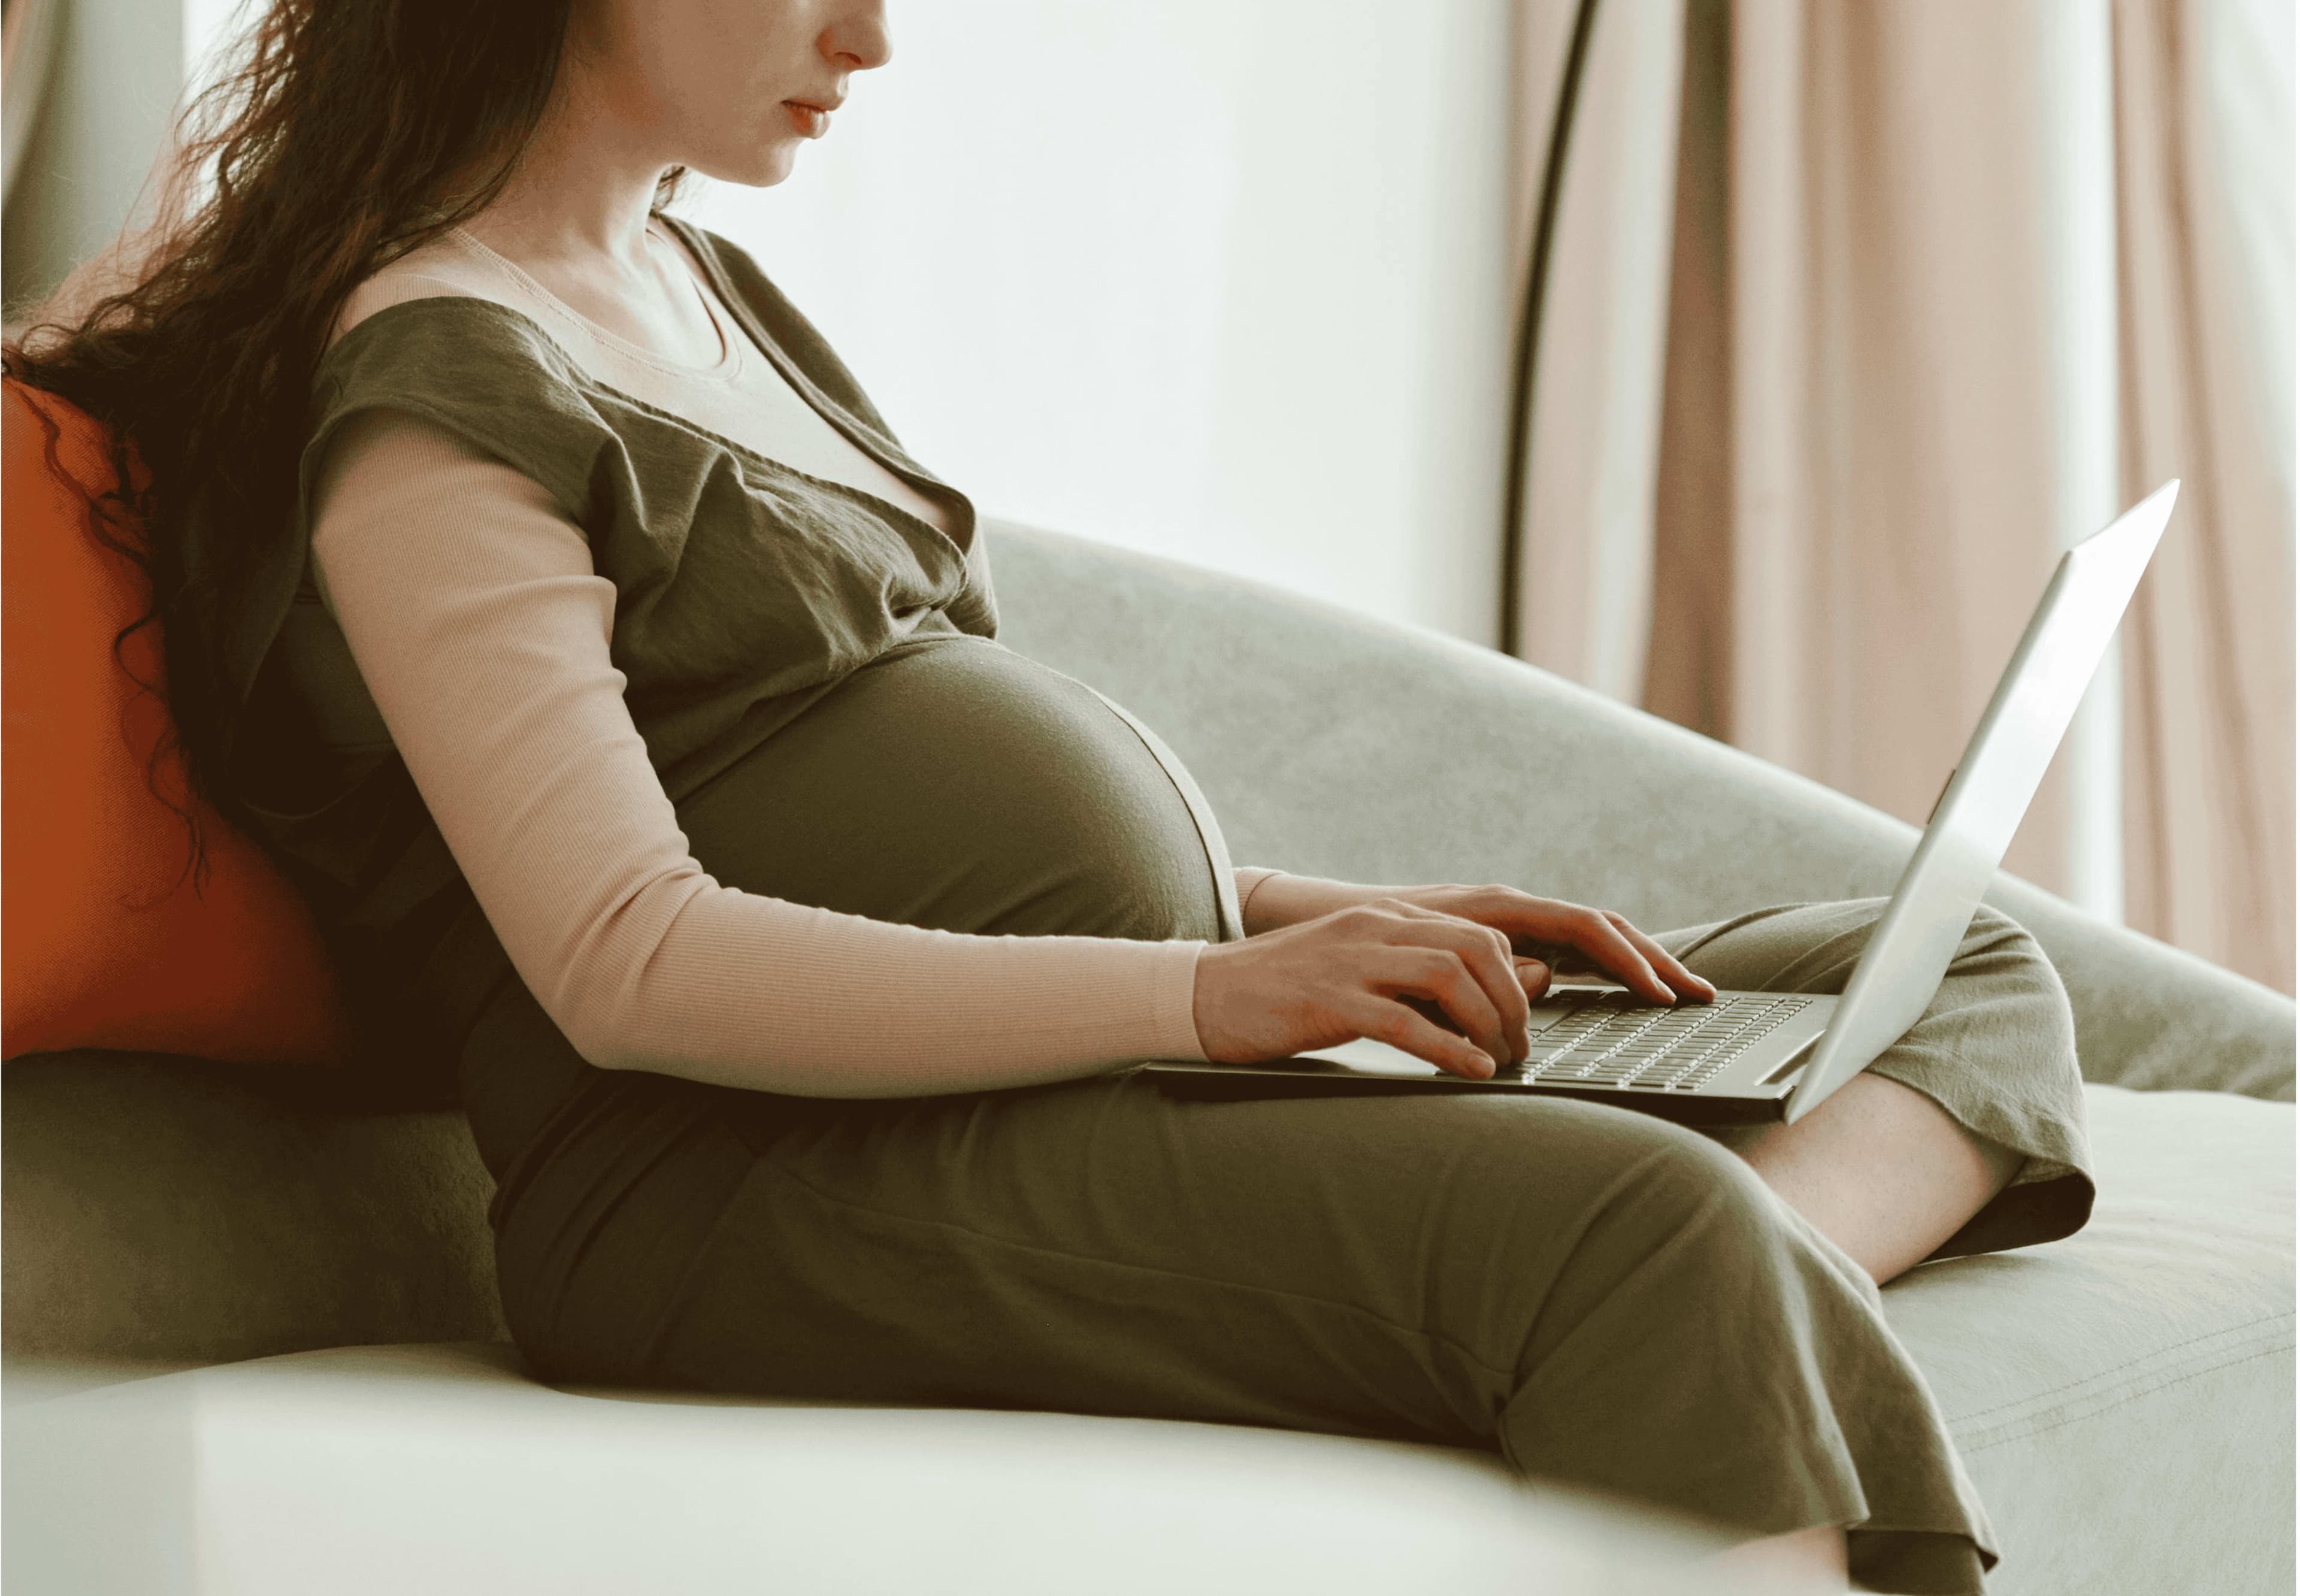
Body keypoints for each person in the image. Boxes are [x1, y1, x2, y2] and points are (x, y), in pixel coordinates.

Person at [8, 3, 2098, 1590]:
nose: (875, 35)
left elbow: (874, 794)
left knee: (1955, 968)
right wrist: (1211, 1004)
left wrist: (1321, 919)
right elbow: (628, 957)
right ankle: (1659, 1280)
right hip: (745, 1187)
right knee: (1647, 1235)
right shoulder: (433, 390)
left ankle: (1660, 1282)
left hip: (1057, 1057)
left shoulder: (691, 280)